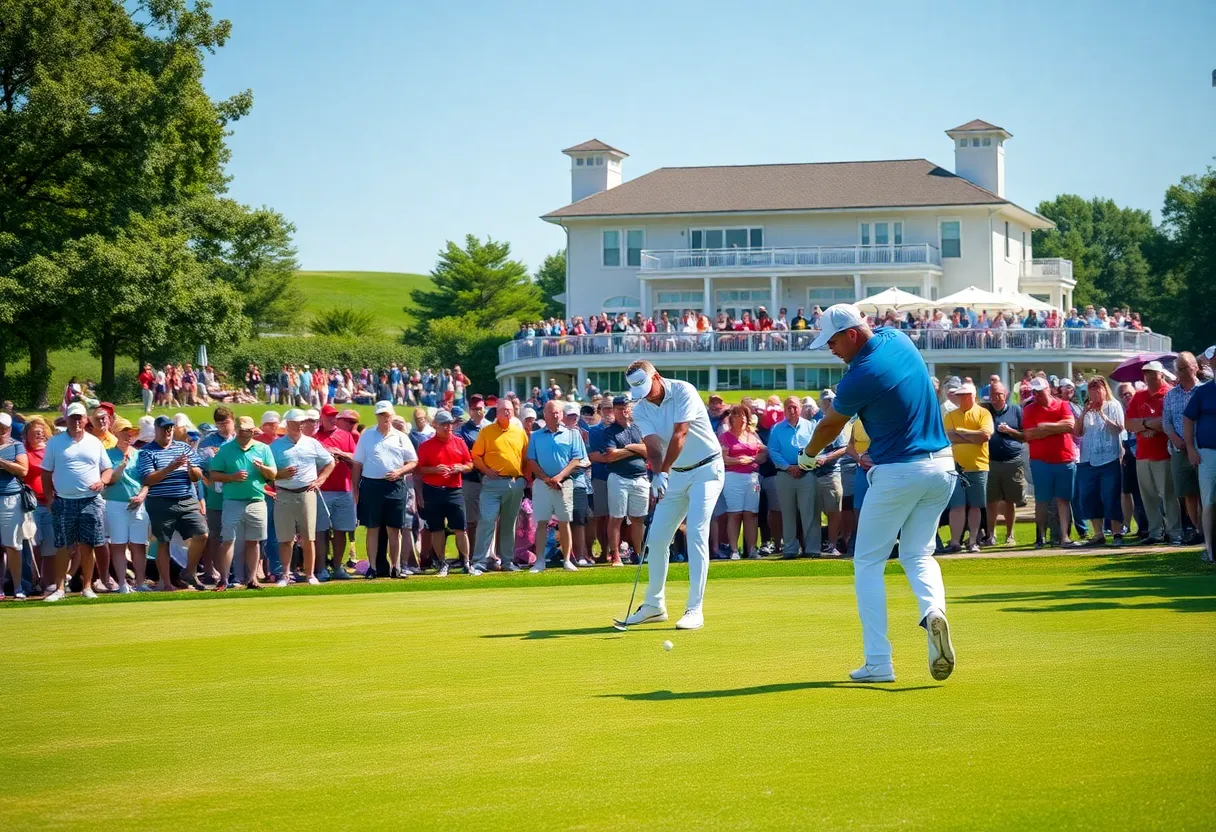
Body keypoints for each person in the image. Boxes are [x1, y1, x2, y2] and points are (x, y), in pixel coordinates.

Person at [798, 304, 956, 683]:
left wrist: (806, 457)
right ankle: (933, 611)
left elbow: (829, 426)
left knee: (868, 562)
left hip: (899, 471)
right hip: (943, 468)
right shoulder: (897, 338)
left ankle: (878, 662)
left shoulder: (859, 376)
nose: (830, 349)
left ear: (852, 334)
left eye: (833, 341)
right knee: (919, 554)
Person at [616, 360, 725, 631]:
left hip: (707, 469)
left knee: (697, 532)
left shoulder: (683, 390)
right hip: (675, 474)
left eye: (646, 386)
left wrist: (663, 472)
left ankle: (694, 609)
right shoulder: (640, 408)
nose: (646, 394)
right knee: (657, 538)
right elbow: (653, 446)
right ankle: (654, 605)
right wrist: (656, 474)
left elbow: (680, 434)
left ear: (657, 376)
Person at [42, 402, 114, 601]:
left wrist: (103, 481)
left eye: (79, 417)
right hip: (64, 501)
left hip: (90, 500)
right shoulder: (55, 442)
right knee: (63, 545)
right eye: (72, 417)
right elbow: (46, 473)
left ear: (85, 420)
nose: (76, 421)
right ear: (66, 419)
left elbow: (107, 469)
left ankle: (87, 587)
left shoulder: (94, 442)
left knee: (87, 545)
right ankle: (59, 589)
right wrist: (49, 498)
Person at [136, 415, 208, 591]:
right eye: (164, 428)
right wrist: (170, 468)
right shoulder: (147, 451)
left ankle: (189, 572)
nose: (168, 431)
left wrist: (192, 469)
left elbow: (197, 475)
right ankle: (166, 583)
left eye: (170, 428)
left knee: (202, 534)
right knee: (163, 541)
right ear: (156, 429)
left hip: (186, 498)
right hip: (161, 501)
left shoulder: (183, 447)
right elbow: (148, 479)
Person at [208, 416, 277, 590]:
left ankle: (252, 579)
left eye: (250, 430)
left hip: (257, 500)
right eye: (244, 430)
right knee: (228, 540)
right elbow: (214, 474)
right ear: (238, 431)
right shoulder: (226, 449)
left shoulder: (263, 448)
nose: (248, 433)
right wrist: (232, 477)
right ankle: (224, 579)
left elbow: (273, 474)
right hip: (233, 500)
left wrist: (263, 469)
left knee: (254, 541)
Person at [352, 401, 417, 579]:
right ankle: (372, 568)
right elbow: (357, 463)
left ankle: (395, 567)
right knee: (372, 528)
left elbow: (413, 461)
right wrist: (355, 489)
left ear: (392, 415)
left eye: (387, 414)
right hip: (371, 485)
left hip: (395, 485)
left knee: (394, 528)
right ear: (377, 416)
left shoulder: (401, 436)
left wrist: (399, 471)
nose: (385, 418)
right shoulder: (367, 436)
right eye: (381, 415)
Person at [270, 409, 335, 586]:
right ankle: (285, 575)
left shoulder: (312, 443)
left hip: (307, 493)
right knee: (285, 538)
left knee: (309, 537)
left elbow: (330, 462)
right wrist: (281, 474)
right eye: (296, 422)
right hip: (284, 493)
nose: (300, 425)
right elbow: (267, 473)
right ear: (288, 424)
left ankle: (310, 575)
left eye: (302, 422)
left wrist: (321, 479)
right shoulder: (275, 447)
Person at [525, 401, 588, 572]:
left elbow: (576, 459)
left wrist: (558, 477)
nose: (556, 415)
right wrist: (546, 478)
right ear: (544, 414)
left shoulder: (572, 434)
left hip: (564, 484)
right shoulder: (536, 435)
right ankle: (539, 561)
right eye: (552, 412)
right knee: (541, 522)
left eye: (558, 412)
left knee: (564, 521)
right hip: (542, 484)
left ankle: (567, 560)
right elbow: (531, 460)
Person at [470, 399, 529, 574]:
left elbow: (526, 458)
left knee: (509, 524)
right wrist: (486, 470)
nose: (507, 413)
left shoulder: (519, 433)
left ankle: (507, 562)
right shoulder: (487, 432)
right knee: (487, 520)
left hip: (515, 482)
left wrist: (523, 478)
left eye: (510, 410)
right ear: (497, 413)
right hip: (492, 483)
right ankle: (479, 562)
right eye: (503, 410)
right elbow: (476, 456)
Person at [1125, 361, 1181, 544]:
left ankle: (1174, 532)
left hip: (1163, 453)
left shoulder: (1168, 394)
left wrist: (1143, 424)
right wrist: (1147, 424)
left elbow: (1165, 421)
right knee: (1148, 497)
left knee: (1168, 495)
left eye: (1152, 373)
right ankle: (1155, 533)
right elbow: (1128, 424)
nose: (1149, 377)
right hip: (1142, 454)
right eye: (1146, 373)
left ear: (1161, 374)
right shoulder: (1139, 396)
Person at [1023, 376, 1079, 548]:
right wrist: (1056, 428)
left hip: (1064, 459)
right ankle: (1041, 536)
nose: (1037, 395)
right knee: (1042, 500)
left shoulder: (1062, 404)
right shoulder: (1029, 409)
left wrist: (1045, 426)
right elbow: (1029, 434)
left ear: (1048, 389)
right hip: (1041, 461)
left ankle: (1064, 537)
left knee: (1064, 499)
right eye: (1035, 392)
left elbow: (1070, 425)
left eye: (1040, 391)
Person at [416, 410, 473, 576]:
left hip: (454, 490)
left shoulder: (459, 442)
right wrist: (435, 470)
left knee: (460, 528)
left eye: (450, 424)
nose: (448, 427)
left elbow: (469, 464)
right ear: (436, 426)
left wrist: (460, 468)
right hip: (433, 491)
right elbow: (419, 469)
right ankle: (442, 563)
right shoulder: (426, 446)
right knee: (436, 529)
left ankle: (466, 562)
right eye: (444, 424)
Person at [943, 382, 994, 553]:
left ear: (973, 396)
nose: (963, 398)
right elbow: (949, 437)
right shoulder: (950, 415)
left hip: (978, 466)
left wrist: (962, 432)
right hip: (955, 468)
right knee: (956, 505)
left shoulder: (983, 413)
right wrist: (973, 435)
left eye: (966, 395)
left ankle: (973, 541)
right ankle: (955, 542)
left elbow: (985, 436)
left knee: (975, 505)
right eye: (960, 395)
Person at [101, 418, 149, 593]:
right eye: (125, 432)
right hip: (115, 503)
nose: (129, 436)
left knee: (139, 545)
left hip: (138, 504)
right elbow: (110, 480)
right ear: (115, 433)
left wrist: (142, 495)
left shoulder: (140, 454)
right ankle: (122, 583)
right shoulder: (107, 454)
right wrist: (121, 466)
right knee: (119, 544)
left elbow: (147, 480)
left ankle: (140, 582)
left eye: (132, 433)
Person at [1076, 376, 1126, 546]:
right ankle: (1098, 534)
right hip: (1088, 459)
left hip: (1109, 458)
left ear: (1105, 390)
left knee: (1111, 496)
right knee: (1090, 497)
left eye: (1098, 389)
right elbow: (1077, 432)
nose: (1095, 394)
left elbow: (1119, 428)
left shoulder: (1114, 405)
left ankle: (1117, 533)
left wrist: (1102, 414)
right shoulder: (1087, 409)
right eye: (1092, 390)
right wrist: (1084, 412)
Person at [767, 396, 818, 558]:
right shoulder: (776, 429)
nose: (792, 410)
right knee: (788, 514)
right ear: (784, 409)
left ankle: (812, 549)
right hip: (785, 475)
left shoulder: (810, 426)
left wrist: (803, 466)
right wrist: (788, 467)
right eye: (788, 407)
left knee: (809, 513)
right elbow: (773, 451)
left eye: (795, 407)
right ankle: (790, 549)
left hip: (807, 474)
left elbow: (817, 448)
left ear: (801, 408)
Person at [1163, 352, 1204, 545]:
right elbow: (1166, 421)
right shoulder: (1171, 394)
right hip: (1179, 451)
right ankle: (1198, 530)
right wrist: (1175, 438)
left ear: (1195, 367)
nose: (1180, 372)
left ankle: (1209, 528)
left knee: (1207, 492)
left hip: (1203, 448)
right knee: (1188, 493)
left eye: (1184, 368)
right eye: (1178, 369)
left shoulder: (1205, 390)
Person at [601, 396, 648, 567]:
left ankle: (638, 553)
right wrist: (636, 449)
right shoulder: (609, 431)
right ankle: (615, 555)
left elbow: (647, 450)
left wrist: (627, 448)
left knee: (638, 519)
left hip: (640, 477)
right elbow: (611, 455)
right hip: (619, 477)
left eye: (625, 408)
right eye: (619, 408)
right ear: (614, 410)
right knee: (616, 518)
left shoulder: (637, 428)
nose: (623, 411)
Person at [314, 404, 358, 579]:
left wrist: (341, 453)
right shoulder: (314, 438)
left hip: (344, 489)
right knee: (321, 531)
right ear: (322, 418)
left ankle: (338, 567)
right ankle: (322, 568)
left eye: (334, 416)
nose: (332, 419)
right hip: (321, 490)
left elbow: (356, 460)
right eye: (329, 416)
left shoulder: (346, 436)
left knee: (342, 530)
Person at [719, 403, 765, 559]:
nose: (743, 418)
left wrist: (752, 458)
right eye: (738, 415)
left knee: (751, 514)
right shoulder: (725, 436)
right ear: (732, 418)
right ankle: (734, 550)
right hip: (733, 478)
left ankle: (752, 550)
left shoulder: (753, 436)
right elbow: (723, 458)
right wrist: (738, 460)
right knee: (735, 514)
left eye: (745, 415)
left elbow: (763, 453)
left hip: (752, 477)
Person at [983, 383, 1026, 546]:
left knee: (1010, 500)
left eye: (999, 394)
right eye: (993, 394)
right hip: (991, 461)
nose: (995, 398)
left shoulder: (1016, 410)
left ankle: (1010, 535)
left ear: (1006, 394)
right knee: (991, 501)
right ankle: (990, 535)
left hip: (1012, 461)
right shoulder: (985, 410)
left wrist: (1010, 431)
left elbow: (1025, 436)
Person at [197, 406, 236, 584]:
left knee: (238, 534)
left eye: (226, 422)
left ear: (233, 421)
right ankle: (217, 571)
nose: (222, 427)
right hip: (215, 496)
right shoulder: (208, 442)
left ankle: (237, 571)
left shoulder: (240, 439)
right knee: (215, 535)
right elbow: (203, 465)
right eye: (219, 423)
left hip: (238, 494)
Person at [1183, 369, 1216, 561]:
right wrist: (1190, 447)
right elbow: (1188, 418)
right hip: (1208, 453)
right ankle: (1210, 551)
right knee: (1209, 502)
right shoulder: (1203, 392)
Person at [456, 395, 488, 564]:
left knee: (490, 519)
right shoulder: (463, 431)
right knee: (472, 520)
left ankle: (489, 556)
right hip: (471, 479)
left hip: (490, 479)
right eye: (476, 409)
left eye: (482, 408)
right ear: (470, 410)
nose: (479, 411)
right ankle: (473, 555)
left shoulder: (491, 428)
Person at [0, 413, 29, 599]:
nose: (0, 431)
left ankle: (18, 587)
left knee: (12, 545)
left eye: (3, 428)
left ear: (9, 428)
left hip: (9, 499)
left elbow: (23, 470)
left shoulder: (17, 446)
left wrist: (1, 462)